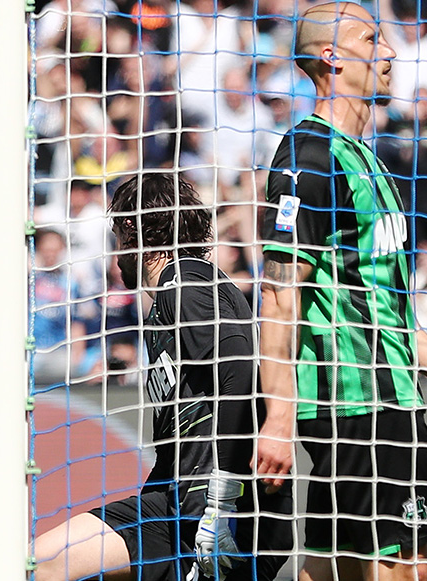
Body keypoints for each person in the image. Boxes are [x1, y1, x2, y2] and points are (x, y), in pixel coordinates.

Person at [34, 174, 291, 581]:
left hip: (224, 514)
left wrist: (221, 502)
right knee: (37, 562)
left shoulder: (187, 282)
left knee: (44, 566)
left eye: (118, 235)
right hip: (174, 504)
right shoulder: (170, 300)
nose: (117, 252)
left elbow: (239, 367)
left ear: (134, 230)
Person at [255, 4, 427, 580]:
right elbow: (280, 294)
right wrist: (279, 416)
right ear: (331, 56)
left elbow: (382, 302)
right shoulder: (310, 155)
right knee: (405, 568)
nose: (390, 52)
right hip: (360, 402)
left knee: (331, 568)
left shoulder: (370, 160)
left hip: (395, 394)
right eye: (371, 38)